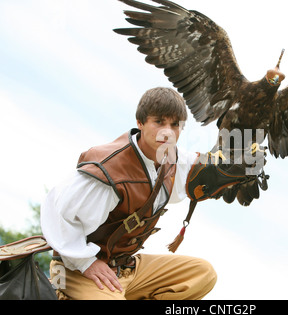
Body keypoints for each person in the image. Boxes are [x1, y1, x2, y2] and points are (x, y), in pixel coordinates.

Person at [41, 87, 263, 300]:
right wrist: (85, 262)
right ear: (141, 123)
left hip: (126, 268)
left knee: (202, 274)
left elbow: (203, 171)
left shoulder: (172, 159)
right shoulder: (110, 169)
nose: (168, 131)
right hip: (79, 271)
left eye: (175, 124)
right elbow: (57, 212)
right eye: (159, 122)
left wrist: (237, 162)